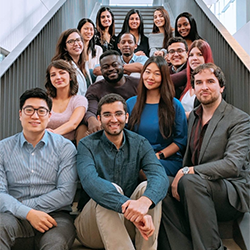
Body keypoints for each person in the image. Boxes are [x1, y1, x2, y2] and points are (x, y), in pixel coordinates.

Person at [158, 63, 250, 250]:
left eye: (210, 81)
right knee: (160, 184)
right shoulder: (193, 117)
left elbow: (232, 165)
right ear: (193, 88)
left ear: (221, 87)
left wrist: (189, 171)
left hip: (229, 192)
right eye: (198, 83)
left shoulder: (239, 119)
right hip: (197, 192)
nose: (204, 87)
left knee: (190, 181)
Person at [75, 93, 169, 250]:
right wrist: (128, 206)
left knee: (148, 188)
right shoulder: (87, 145)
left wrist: (144, 203)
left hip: (130, 224)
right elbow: (90, 182)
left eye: (118, 114)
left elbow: (159, 175)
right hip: (92, 227)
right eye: (107, 115)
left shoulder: (139, 143)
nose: (113, 119)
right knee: (108, 190)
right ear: (99, 119)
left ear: (126, 117)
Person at [0, 88, 77, 250]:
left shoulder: (65, 148)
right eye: (29, 110)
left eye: (41, 111)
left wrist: (25, 207)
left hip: (55, 216)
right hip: (13, 217)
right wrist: (27, 213)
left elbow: (65, 193)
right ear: (20, 114)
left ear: (50, 116)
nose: (35, 116)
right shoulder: (3, 149)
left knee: (55, 244)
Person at [127, 56, 187, 176]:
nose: (150, 77)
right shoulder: (130, 103)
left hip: (164, 159)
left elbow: (181, 141)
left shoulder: (174, 105)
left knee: (145, 169)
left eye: (156, 74)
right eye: (147, 72)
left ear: (164, 77)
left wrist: (159, 155)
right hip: (136, 159)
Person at [80, 50, 139, 139]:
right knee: (82, 128)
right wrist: (91, 119)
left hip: (135, 127)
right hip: (108, 129)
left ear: (122, 65)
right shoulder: (95, 89)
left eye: (115, 65)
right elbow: (91, 111)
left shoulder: (138, 84)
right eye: (106, 67)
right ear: (101, 70)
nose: (111, 69)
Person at [45, 60, 88, 144]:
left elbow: (73, 123)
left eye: (62, 73)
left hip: (69, 145)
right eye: (53, 75)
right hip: (46, 145)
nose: (58, 77)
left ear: (70, 76)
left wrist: (51, 134)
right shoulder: (45, 101)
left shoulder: (79, 100)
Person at [52, 28, 92, 96]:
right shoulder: (62, 67)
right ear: (65, 47)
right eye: (71, 41)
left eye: (78, 40)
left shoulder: (84, 64)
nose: (76, 44)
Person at [180, 39, 214, 117]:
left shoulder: (213, 82)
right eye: (191, 55)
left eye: (199, 54)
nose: (194, 58)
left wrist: (179, 116)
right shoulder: (188, 82)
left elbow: (206, 114)